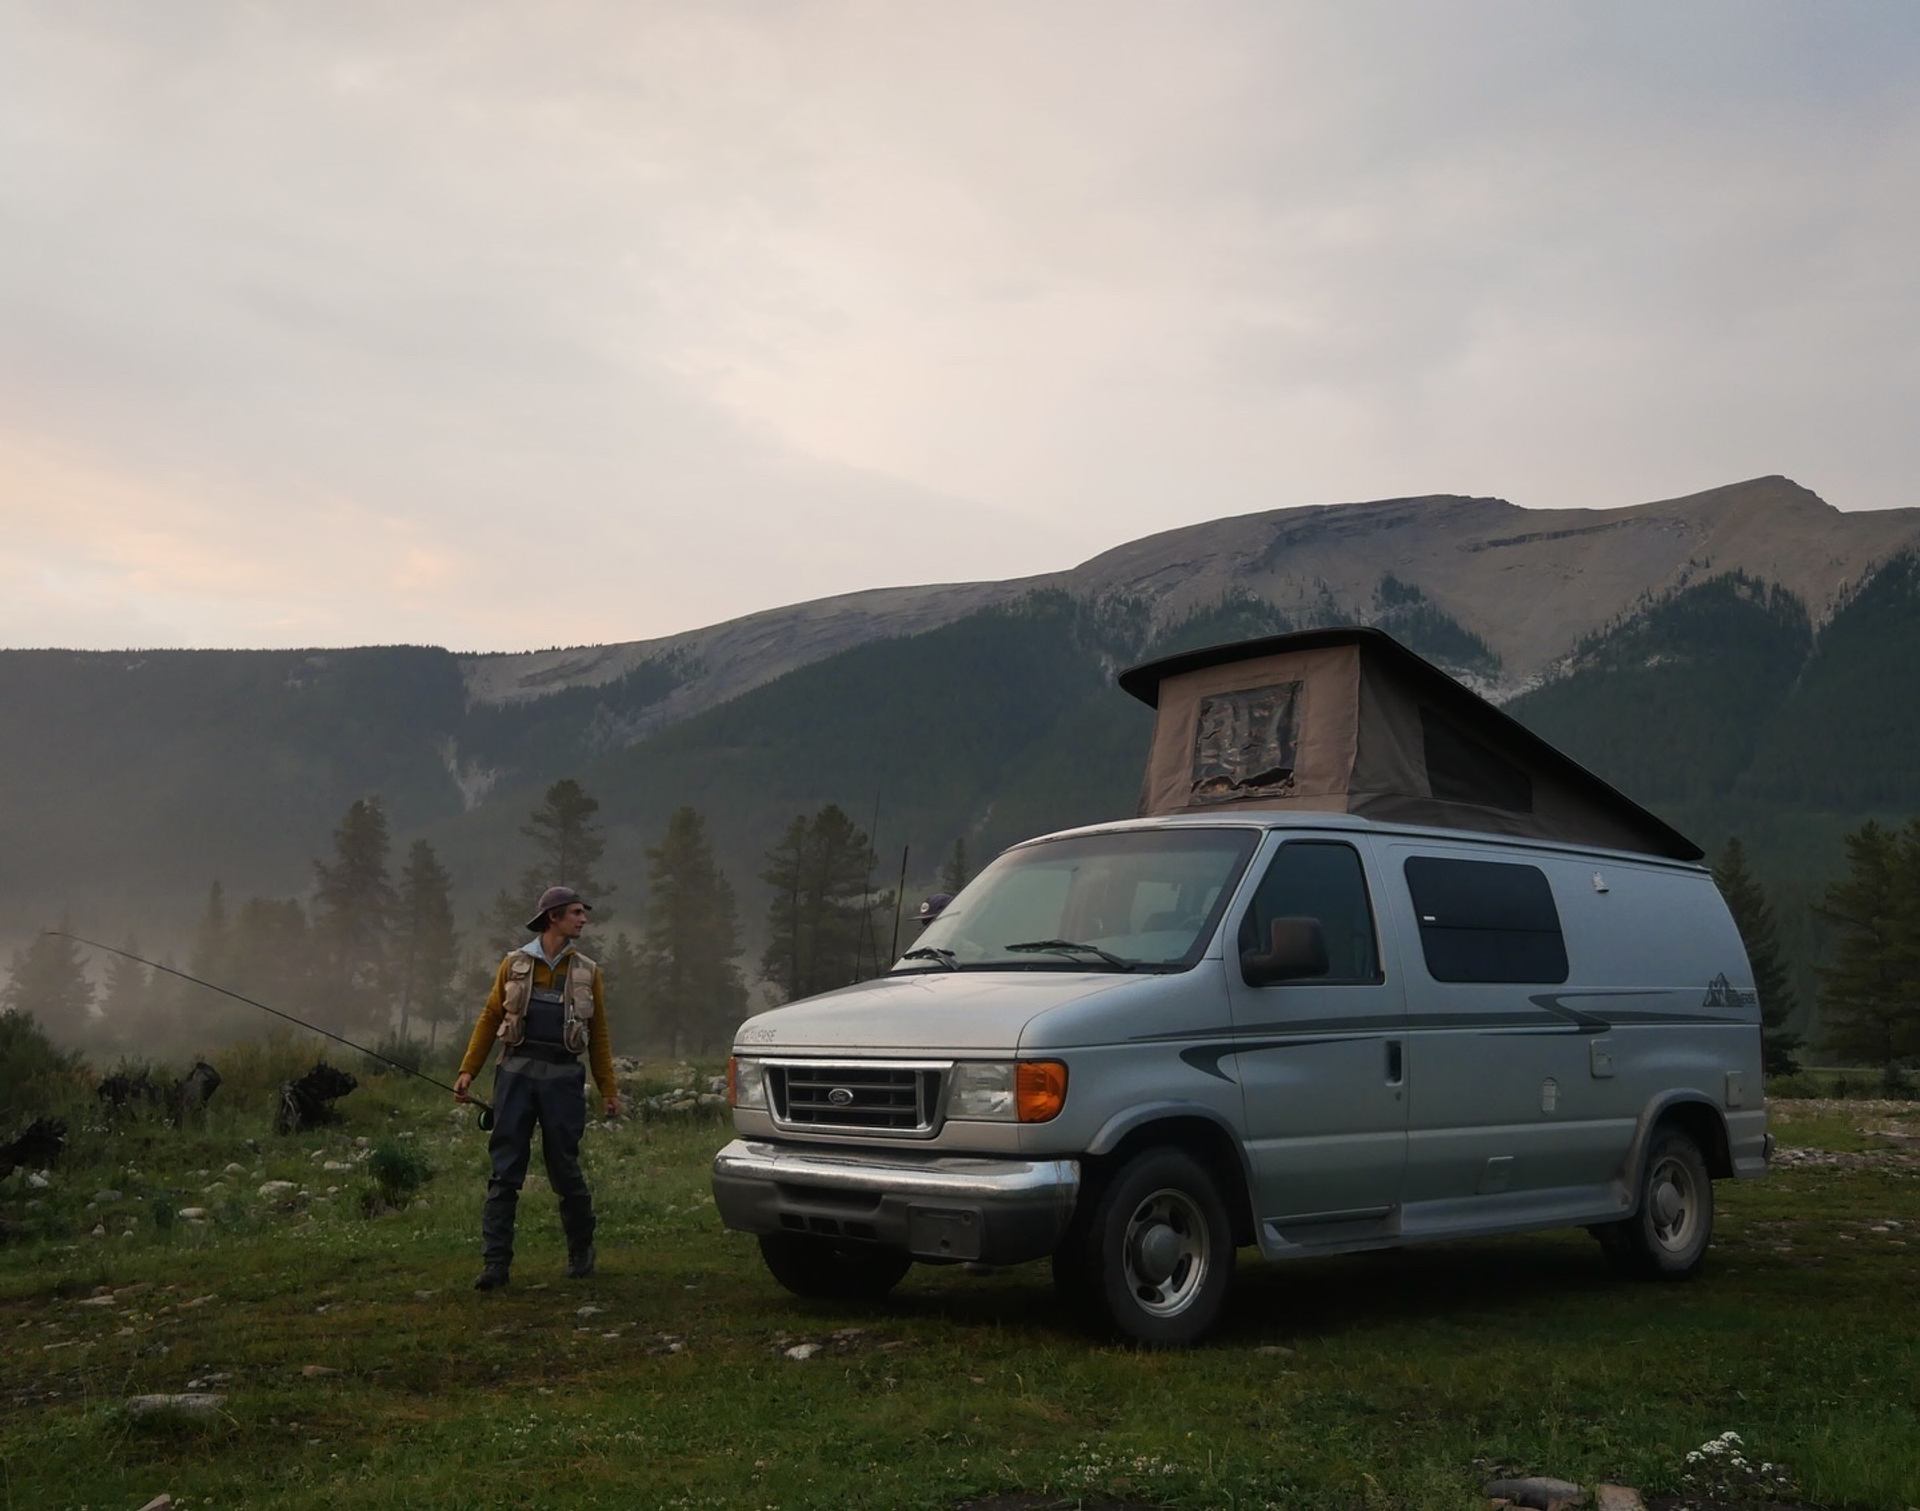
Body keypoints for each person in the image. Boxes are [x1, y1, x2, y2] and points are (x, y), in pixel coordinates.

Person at [453, 886, 620, 1291]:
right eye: (576, 913)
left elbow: (598, 1034)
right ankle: (495, 1265)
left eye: (582, 913)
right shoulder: (513, 964)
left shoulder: (589, 972)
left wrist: (608, 1090)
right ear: (553, 918)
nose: (583, 920)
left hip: (563, 1080)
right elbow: (490, 1017)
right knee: (505, 1170)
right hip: (515, 1076)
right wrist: (468, 1071)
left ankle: (581, 1253)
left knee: (565, 1167)